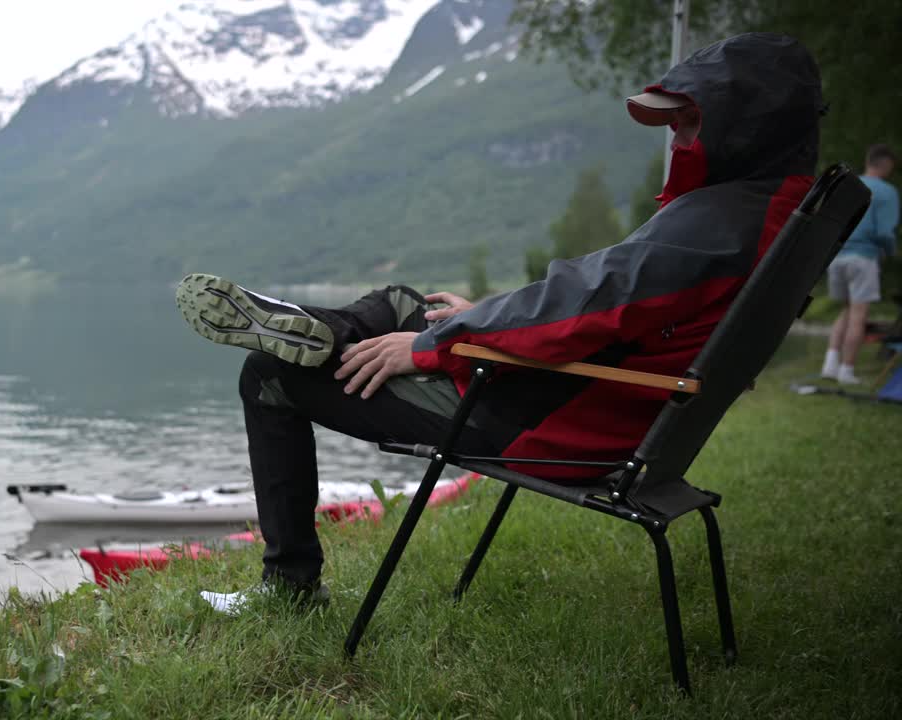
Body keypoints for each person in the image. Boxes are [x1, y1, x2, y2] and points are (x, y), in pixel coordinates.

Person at [175, 33, 824, 614]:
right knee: (412, 301)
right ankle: (314, 327)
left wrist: (432, 348)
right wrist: (467, 320)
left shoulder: (712, 227)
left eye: (690, 123)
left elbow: (582, 304)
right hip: (606, 408)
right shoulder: (772, 214)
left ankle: (289, 587)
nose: (677, 139)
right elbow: (596, 306)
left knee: (269, 375)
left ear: (746, 126)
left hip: (551, 424)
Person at [822, 145, 898, 384]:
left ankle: (830, 366)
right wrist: (890, 252)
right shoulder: (886, 192)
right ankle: (846, 371)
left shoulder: (850, 186)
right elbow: (885, 233)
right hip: (863, 258)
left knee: (846, 311)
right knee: (858, 316)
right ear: (886, 164)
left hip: (838, 256)